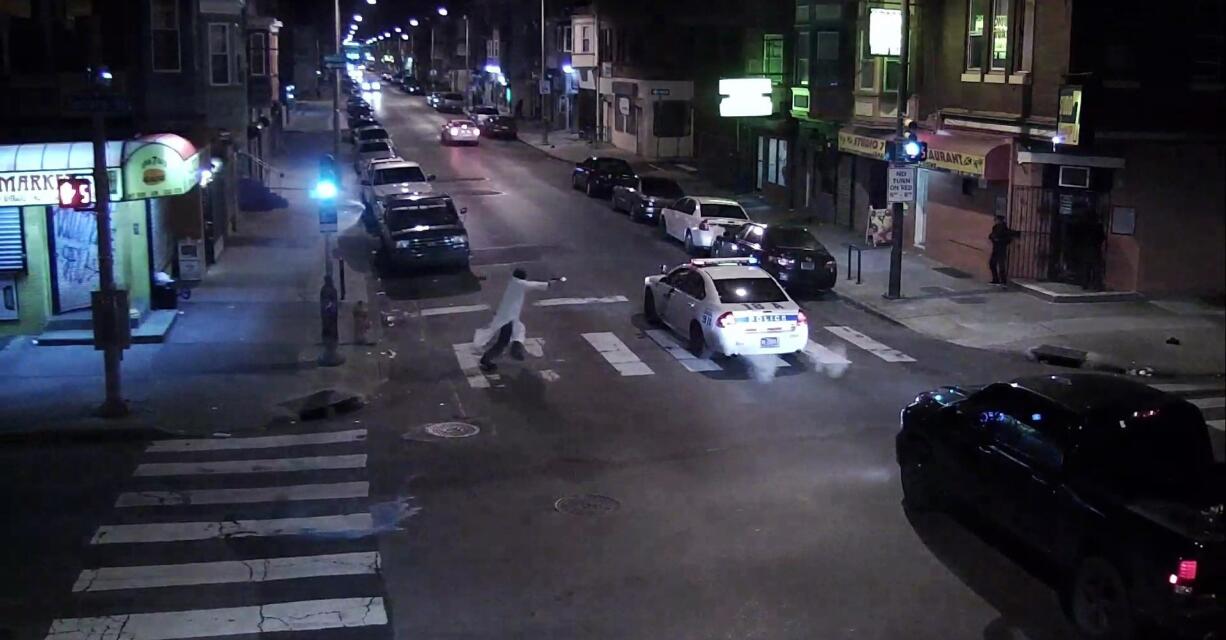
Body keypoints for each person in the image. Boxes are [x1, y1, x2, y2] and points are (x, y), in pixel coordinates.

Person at [474, 269, 563, 372]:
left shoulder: (513, 283)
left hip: (507, 317)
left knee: (515, 333)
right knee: (503, 341)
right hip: (508, 319)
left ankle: (510, 351)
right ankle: (491, 358)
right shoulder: (520, 284)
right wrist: (550, 282)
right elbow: (536, 285)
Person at [988, 215, 1018, 286]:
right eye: (995, 220)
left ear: (1000, 220)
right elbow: (991, 235)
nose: (995, 221)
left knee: (1001, 266)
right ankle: (996, 279)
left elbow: (1008, 239)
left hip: (1001, 249)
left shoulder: (1005, 229)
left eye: (997, 220)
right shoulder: (995, 227)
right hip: (995, 248)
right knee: (992, 263)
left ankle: (1003, 281)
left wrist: (999, 240)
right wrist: (993, 238)